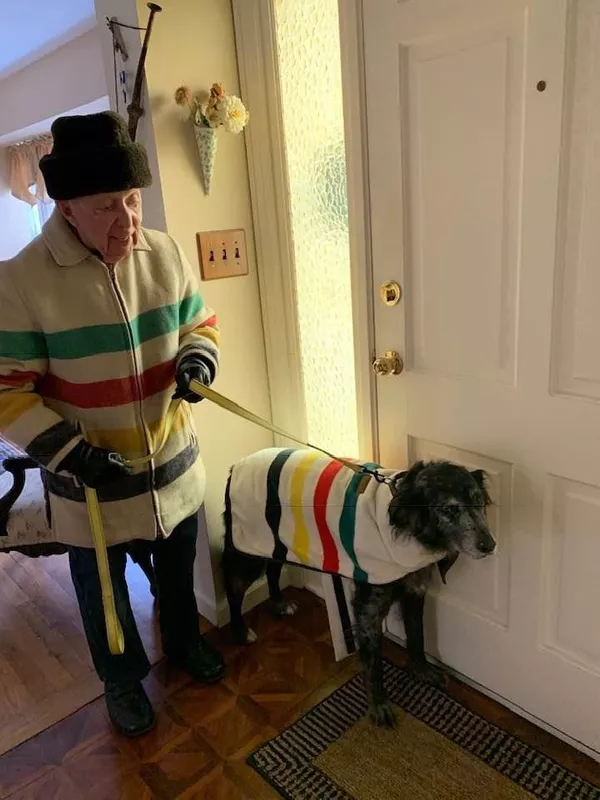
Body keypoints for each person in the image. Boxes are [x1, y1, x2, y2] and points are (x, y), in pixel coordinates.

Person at [0, 111, 224, 737]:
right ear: (67, 207)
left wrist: (196, 364)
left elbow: (199, 325)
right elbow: (6, 392)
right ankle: (121, 680)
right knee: (105, 597)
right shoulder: (19, 281)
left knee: (178, 576)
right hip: (90, 487)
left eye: (132, 200)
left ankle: (182, 645)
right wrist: (70, 453)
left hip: (173, 469)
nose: (127, 222)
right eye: (106, 207)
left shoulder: (166, 251)